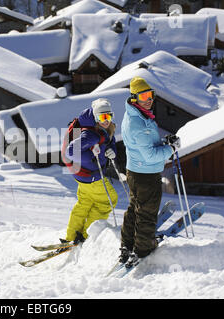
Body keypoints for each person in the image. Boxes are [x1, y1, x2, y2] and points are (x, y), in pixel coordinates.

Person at [119, 77, 180, 267]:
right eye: (144, 96)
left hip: (137, 171)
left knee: (135, 209)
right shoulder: (137, 123)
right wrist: (171, 149)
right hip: (145, 175)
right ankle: (143, 249)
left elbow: (146, 147)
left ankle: (127, 246)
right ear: (134, 97)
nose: (149, 99)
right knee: (146, 212)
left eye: (151, 95)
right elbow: (151, 156)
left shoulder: (137, 114)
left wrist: (164, 143)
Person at [62, 98, 118, 244]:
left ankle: (71, 236)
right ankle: (87, 236)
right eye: (102, 117)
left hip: (82, 175)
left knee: (84, 203)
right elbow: (71, 152)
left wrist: (111, 151)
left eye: (108, 116)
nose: (106, 120)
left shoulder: (105, 129)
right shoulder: (91, 134)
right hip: (93, 176)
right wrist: (92, 158)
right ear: (95, 117)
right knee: (108, 201)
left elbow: (109, 144)